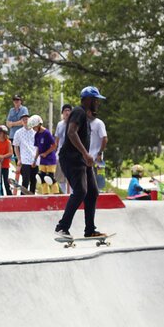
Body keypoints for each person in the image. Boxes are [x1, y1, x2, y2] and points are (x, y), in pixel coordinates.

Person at [55, 86, 108, 239]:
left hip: (81, 160)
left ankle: (90, 229)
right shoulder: (78, 112)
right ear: (88, 100)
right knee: (80, 191)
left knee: (92, 192)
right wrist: (85, 154)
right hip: (71, 158)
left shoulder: (85, 116)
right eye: (96, 100)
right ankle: (62, 228)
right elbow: (71, 133)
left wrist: (87, 157)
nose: (97, 103)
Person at [31, 115, 58, 194]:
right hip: (42, 160)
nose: (33, 129)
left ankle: (55, 194)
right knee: (41, 177)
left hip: (50, 160)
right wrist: (35, 160)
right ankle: (45, 194)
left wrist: (46, 153)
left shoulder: (46, 133)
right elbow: (38, 149)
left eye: (34, 127)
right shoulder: (36, 135)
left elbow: (54, 145)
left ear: (39, 125)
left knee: (49, 178)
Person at [12, 113, 37, 194]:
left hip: (34, 159)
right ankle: (23, 198)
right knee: (25, 180)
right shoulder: (18, 133)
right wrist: (19, 158)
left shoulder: (35, 132)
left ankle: (32, 198)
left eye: (27, 119)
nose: (25, 121)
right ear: (21, 122)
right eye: (23, 119)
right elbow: (16, 146)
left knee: (34, 180)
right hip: (25, 159)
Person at [54, 104, 72, 193]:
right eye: (65, 111)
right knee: (60, 176)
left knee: (71, 176)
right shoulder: (60, 124)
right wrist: (55, 151)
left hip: (71, 153)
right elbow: (57, 139)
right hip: (61, 152)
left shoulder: (74, 124)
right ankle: (65, 193)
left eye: (69, 110)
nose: (67, 112)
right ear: (62, 113)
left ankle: (73, 194)